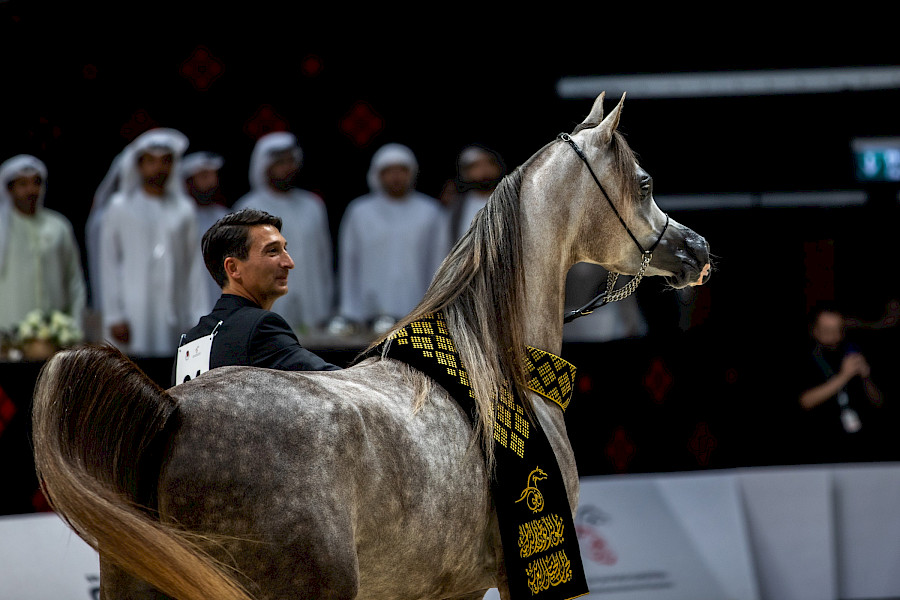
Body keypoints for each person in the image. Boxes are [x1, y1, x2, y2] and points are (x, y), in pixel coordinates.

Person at [173, 209, 339, 386]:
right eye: (273, 251)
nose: (289, 263)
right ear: (233, 268)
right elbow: (338, 384)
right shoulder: (260, 328)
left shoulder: (188, 341)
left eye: (285, 249)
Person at [91, 128, 210, 357]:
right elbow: (108, 263)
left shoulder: (184, 210)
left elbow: (193, 266)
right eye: (151, 161)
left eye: (166, 161)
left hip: (174, 311)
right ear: (139, 165)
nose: (159, 168)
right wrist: (115, 315)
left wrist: (198, 317)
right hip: (132, 312)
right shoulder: (119, 207)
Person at [335, 142, 449, 333]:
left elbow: (439, 261)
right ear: (377, 174)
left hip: (418, 308)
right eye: (389, 171)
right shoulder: (359, 211)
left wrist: (436, 307)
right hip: (367, 313)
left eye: (402, 170)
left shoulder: (430, 212)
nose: (396, 177)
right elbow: (349, 263)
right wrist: (350, 310)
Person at [232, 132, 334, 334]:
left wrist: (326, 306)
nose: (287, 168)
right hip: (266, 308)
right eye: (280, 163)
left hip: (312, 305)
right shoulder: (248, 207)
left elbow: (323, 260)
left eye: (291, 161)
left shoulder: (313, 205)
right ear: (265, 166)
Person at [0, 154, 86, 333]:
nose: (31, 190)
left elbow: (74, 281)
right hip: (7, 334)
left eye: (36, 183)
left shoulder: (58, 226)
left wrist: (74, 326)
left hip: (54, 334)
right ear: (9, 189)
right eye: (22, 184)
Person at [797, 303, 889, 463]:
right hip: (820, 446)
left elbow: (879, 402)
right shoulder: (806, 356)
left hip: (862, 445)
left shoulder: (853, 349)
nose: (834, 336)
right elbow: (805, 401)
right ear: (814, 330)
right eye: (827, 331)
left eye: (838, 330)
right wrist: (844, 376)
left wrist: (866, 378)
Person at [182, 151, 229, 308]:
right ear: (188, 182)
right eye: (204, 176)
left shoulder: (225, 217)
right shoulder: (177, 219)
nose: (211, 182)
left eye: (213, 175)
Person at [443, 144, 506, 243]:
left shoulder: (510, 200)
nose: (484, 169)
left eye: (489, 163)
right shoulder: (457, 208)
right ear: (465, 173)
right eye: (477, 166)